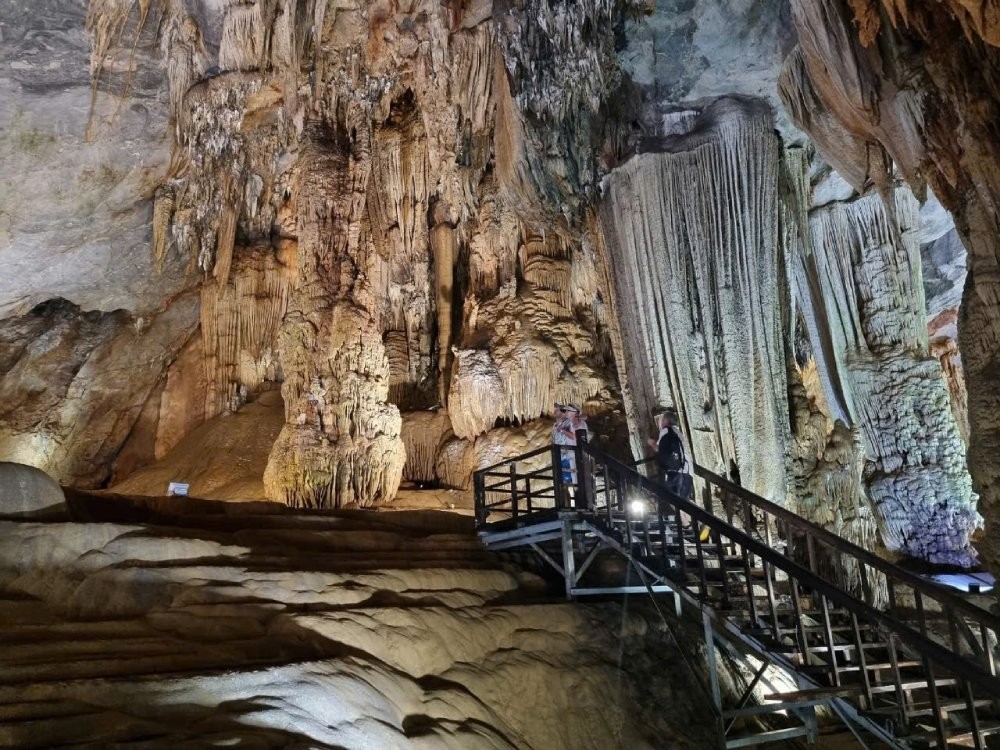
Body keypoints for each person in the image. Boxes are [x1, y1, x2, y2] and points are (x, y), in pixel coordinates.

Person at [552, 403, 588, 504]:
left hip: (575, 455)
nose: (555, 413)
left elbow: (575, 436)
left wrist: (563, 430)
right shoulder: (566, 424)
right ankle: (568, 504)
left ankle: (580, 504)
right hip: (566, 456)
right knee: (565, 482)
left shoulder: (573, 422)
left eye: (558, 410)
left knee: (576, 480)